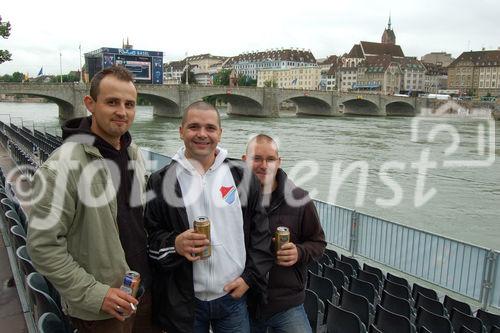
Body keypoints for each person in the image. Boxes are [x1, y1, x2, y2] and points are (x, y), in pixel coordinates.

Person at [27, 66, 160, 333]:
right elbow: (43, 247)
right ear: (90, 104)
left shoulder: (133, 152)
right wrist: (96, 294)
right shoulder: (61, 166)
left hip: (143, 292)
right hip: (102, 310)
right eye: (112, 102)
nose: (122, 112)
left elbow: (137, 220)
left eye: (129, 104)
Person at [144, 101, 274, 333]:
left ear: (220, 134)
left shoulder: (242, 176)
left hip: (233, 296)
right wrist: (175, 244)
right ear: (181, 131)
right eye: (194, 127)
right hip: (185, 301)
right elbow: (149, 239)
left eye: (210, 128)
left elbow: (261, 234)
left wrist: (249, 278)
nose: (202, 134)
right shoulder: (160, 181)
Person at [242, 134, 326, 333]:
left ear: (279, 162)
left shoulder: (300, 200)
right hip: (245, 301)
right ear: (245, 160)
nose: (264, 165)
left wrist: (299, 252)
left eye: (270, 159)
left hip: (286, 303)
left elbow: (318, 243)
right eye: (256, 158)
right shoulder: (232, 198)